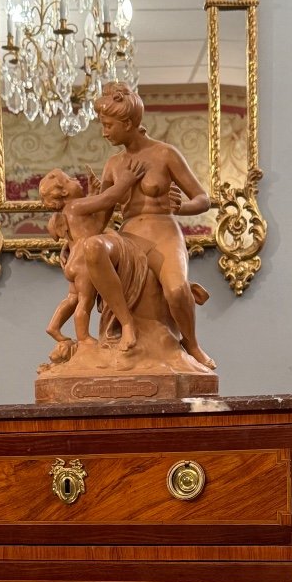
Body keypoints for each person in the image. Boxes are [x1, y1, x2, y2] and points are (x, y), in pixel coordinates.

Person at [93, 82, 216, 371]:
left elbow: (203, 199)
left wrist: (181, 207)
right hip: (130, 235)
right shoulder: (113, 165)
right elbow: (101, 218)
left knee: (175, 290)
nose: (104, 131)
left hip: (163, 231)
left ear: (128, 122)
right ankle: (122, 332)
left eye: (109, 124)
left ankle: (192, 344)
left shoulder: (165, 154)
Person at [39, 159, 148, 356]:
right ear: (64, 193)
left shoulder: (72, 211)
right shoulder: (75, 207)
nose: (75, 180)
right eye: (70, 179)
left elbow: (96, 224)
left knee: (72, 298)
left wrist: (93, 192)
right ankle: (83, 338)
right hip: (84, 260)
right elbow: (108, 200)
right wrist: (125, 181)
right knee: (85, 301)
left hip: (74, 261)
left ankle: (54, 326)